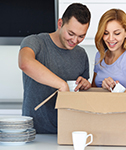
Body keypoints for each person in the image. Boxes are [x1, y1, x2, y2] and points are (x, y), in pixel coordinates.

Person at [18, 3, 91, 134]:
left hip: (69, 133)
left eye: (81, 36)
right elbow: (25, 63)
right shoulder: (36, 42)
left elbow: (82, 99)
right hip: (34, 134)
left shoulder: (81, 55)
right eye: (71, 33)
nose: (75, 40)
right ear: (60, 23)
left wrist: (86, 85)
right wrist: (61, 84)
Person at [92, 9, 126, 129]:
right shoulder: (99, 55)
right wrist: (104, 86)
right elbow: (94, 90)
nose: (111, 39)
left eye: (116, 33)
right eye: (106, 33)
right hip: (103, 122)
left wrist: (118, 103)